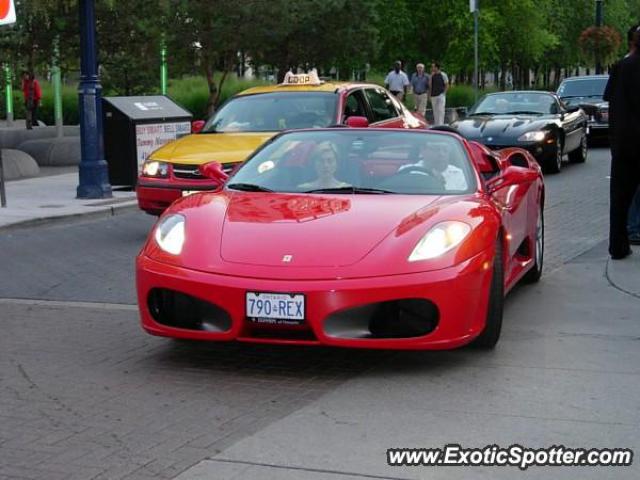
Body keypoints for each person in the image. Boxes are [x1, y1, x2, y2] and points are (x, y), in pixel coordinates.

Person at [603, 24, 640, 259]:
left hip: (625, 144)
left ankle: (618, 246)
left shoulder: (621, 67)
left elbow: (609, 98)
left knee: (620, 199)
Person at [398, 141, 467, 191]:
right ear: (423, 150)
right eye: (436, 149)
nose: (441, 154)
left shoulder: (458, 174)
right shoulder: (408, 171)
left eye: (445, 150)